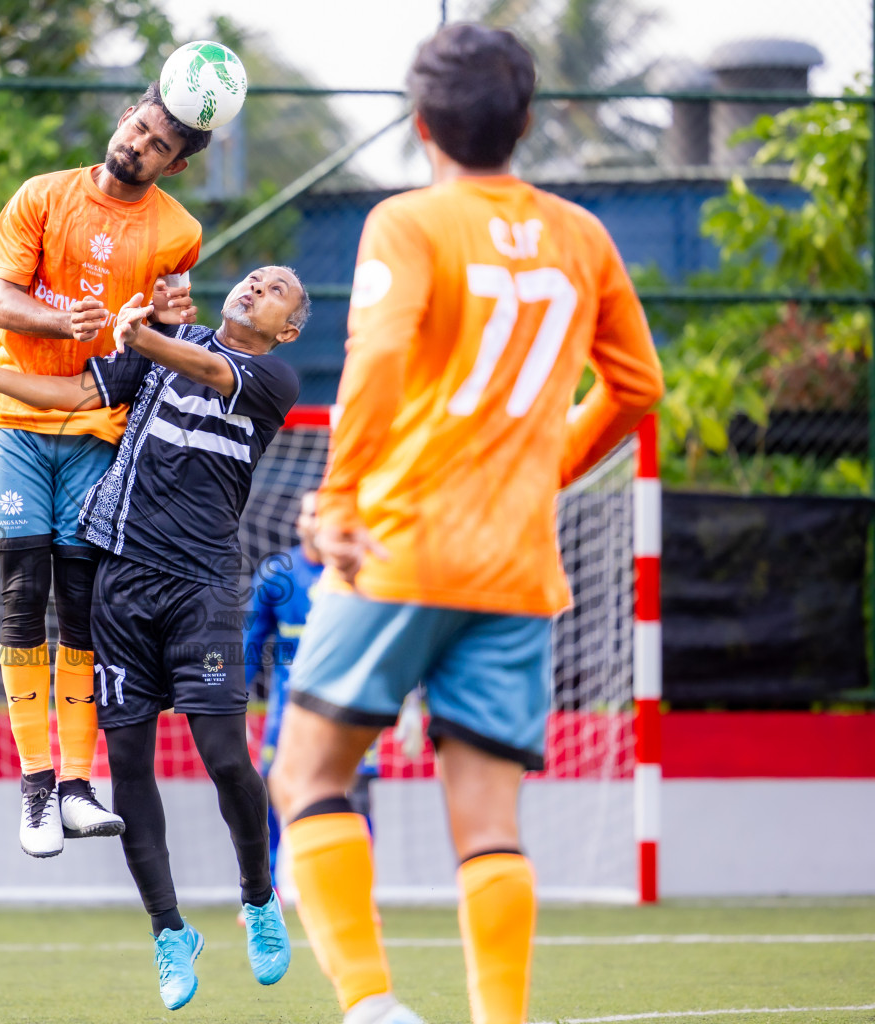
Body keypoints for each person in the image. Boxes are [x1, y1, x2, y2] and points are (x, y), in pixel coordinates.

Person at [266, 24, 665, 1024]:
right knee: (489, 826)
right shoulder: (584, 236)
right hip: (515, 567)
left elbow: (377, 364)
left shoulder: (408, 223)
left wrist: (343, 498)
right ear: (525, 123)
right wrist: (547, 469)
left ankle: (371, 1006)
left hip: (398, 546)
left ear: (420, 125)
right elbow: (638, 388)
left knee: (306, 772)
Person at [0, 265, 310, 1011]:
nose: (256, 286)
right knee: (129, 767)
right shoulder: (163, 342)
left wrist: (140, 329)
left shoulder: (272, 380)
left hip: (202, 589)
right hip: (122, 588)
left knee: (226, 759)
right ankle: (170, 932)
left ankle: (259, 901)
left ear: (288, 329)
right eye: (254, 277)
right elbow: (76, 396)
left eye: (276, 291)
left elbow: (205, 365)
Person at [0, 81, 211, 858]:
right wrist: (62, 320)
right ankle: (36, 786)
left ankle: (78, 787)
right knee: (24, 589)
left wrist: (167, 325)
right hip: (16, 418)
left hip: (97, 424)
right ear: (125, 117)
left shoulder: (180, 232)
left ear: (174, 166)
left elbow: (170, 322)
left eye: (159, 147)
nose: (140, 147)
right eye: (140, 129)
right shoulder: (40, 198)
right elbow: (1, 306)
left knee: (82, 600)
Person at [244, 491, 378, 886]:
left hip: (351, 705)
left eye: (325, 514)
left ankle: (358, 890)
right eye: (311, 514)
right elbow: (247, 645)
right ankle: (267, 892)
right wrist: (226, 696)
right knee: (274, 791)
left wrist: (409, 701)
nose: (318, 521)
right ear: (300, 523)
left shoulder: (366, 572)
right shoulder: (277, 574)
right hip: (291, 709)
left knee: (356, 798)